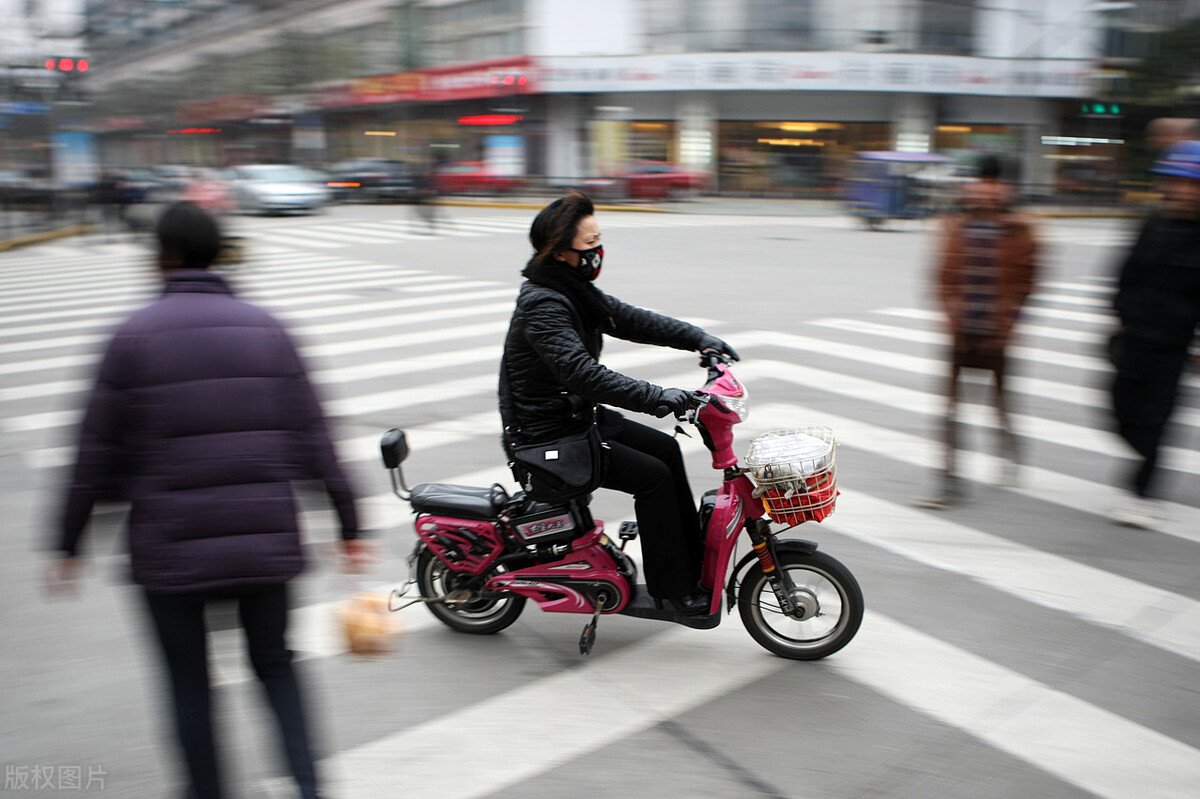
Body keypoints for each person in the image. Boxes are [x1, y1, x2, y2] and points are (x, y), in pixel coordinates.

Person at [47, 202, 365, 799]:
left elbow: (95, 454)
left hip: (171, 556)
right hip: (264, 542)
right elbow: (315, 436)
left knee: (190, 685)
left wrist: (69, 542)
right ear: (220, 255)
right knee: (275, 666)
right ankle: (308, 787)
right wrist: (349, 522)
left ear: (161, 258)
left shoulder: (131, 337)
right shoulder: (269, 330)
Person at [499, 190, 737, 615]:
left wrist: (698, 339)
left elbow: (632, 319)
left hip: (574, 417)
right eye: (590, 245)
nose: (598, 251)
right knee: (653, 478)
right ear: (560, 253)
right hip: (547, 435)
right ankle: (673, 591)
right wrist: (659, 397)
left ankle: (684, 560)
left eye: (598, 240)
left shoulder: (574, 291)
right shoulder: (543, 305)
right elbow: (583, 374)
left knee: (667, 448)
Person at [917, 155, 1039, 509]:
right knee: (951, 408)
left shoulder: (1022, 230)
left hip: (998, 337)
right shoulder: (955, 227)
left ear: (1007, 189)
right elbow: (941, 277)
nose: (986, 189)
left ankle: (1011, 451)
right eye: (981, 181)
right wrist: (950, 316)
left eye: (994, 182)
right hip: (962, 334)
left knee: (999, 404)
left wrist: (1010, 323)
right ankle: (949, 482)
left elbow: (1029, 282)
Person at [1109, 140, 1200, 528]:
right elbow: (1125, 272)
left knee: (1157, 418)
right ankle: (1143, 457)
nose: (1179, 190)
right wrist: (1120, 313)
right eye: (1173, 181)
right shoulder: (1153, 222)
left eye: (1189, 183)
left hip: (1173, 344)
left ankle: (1143, 491)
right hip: (1133, 337)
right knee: (1119, 409)